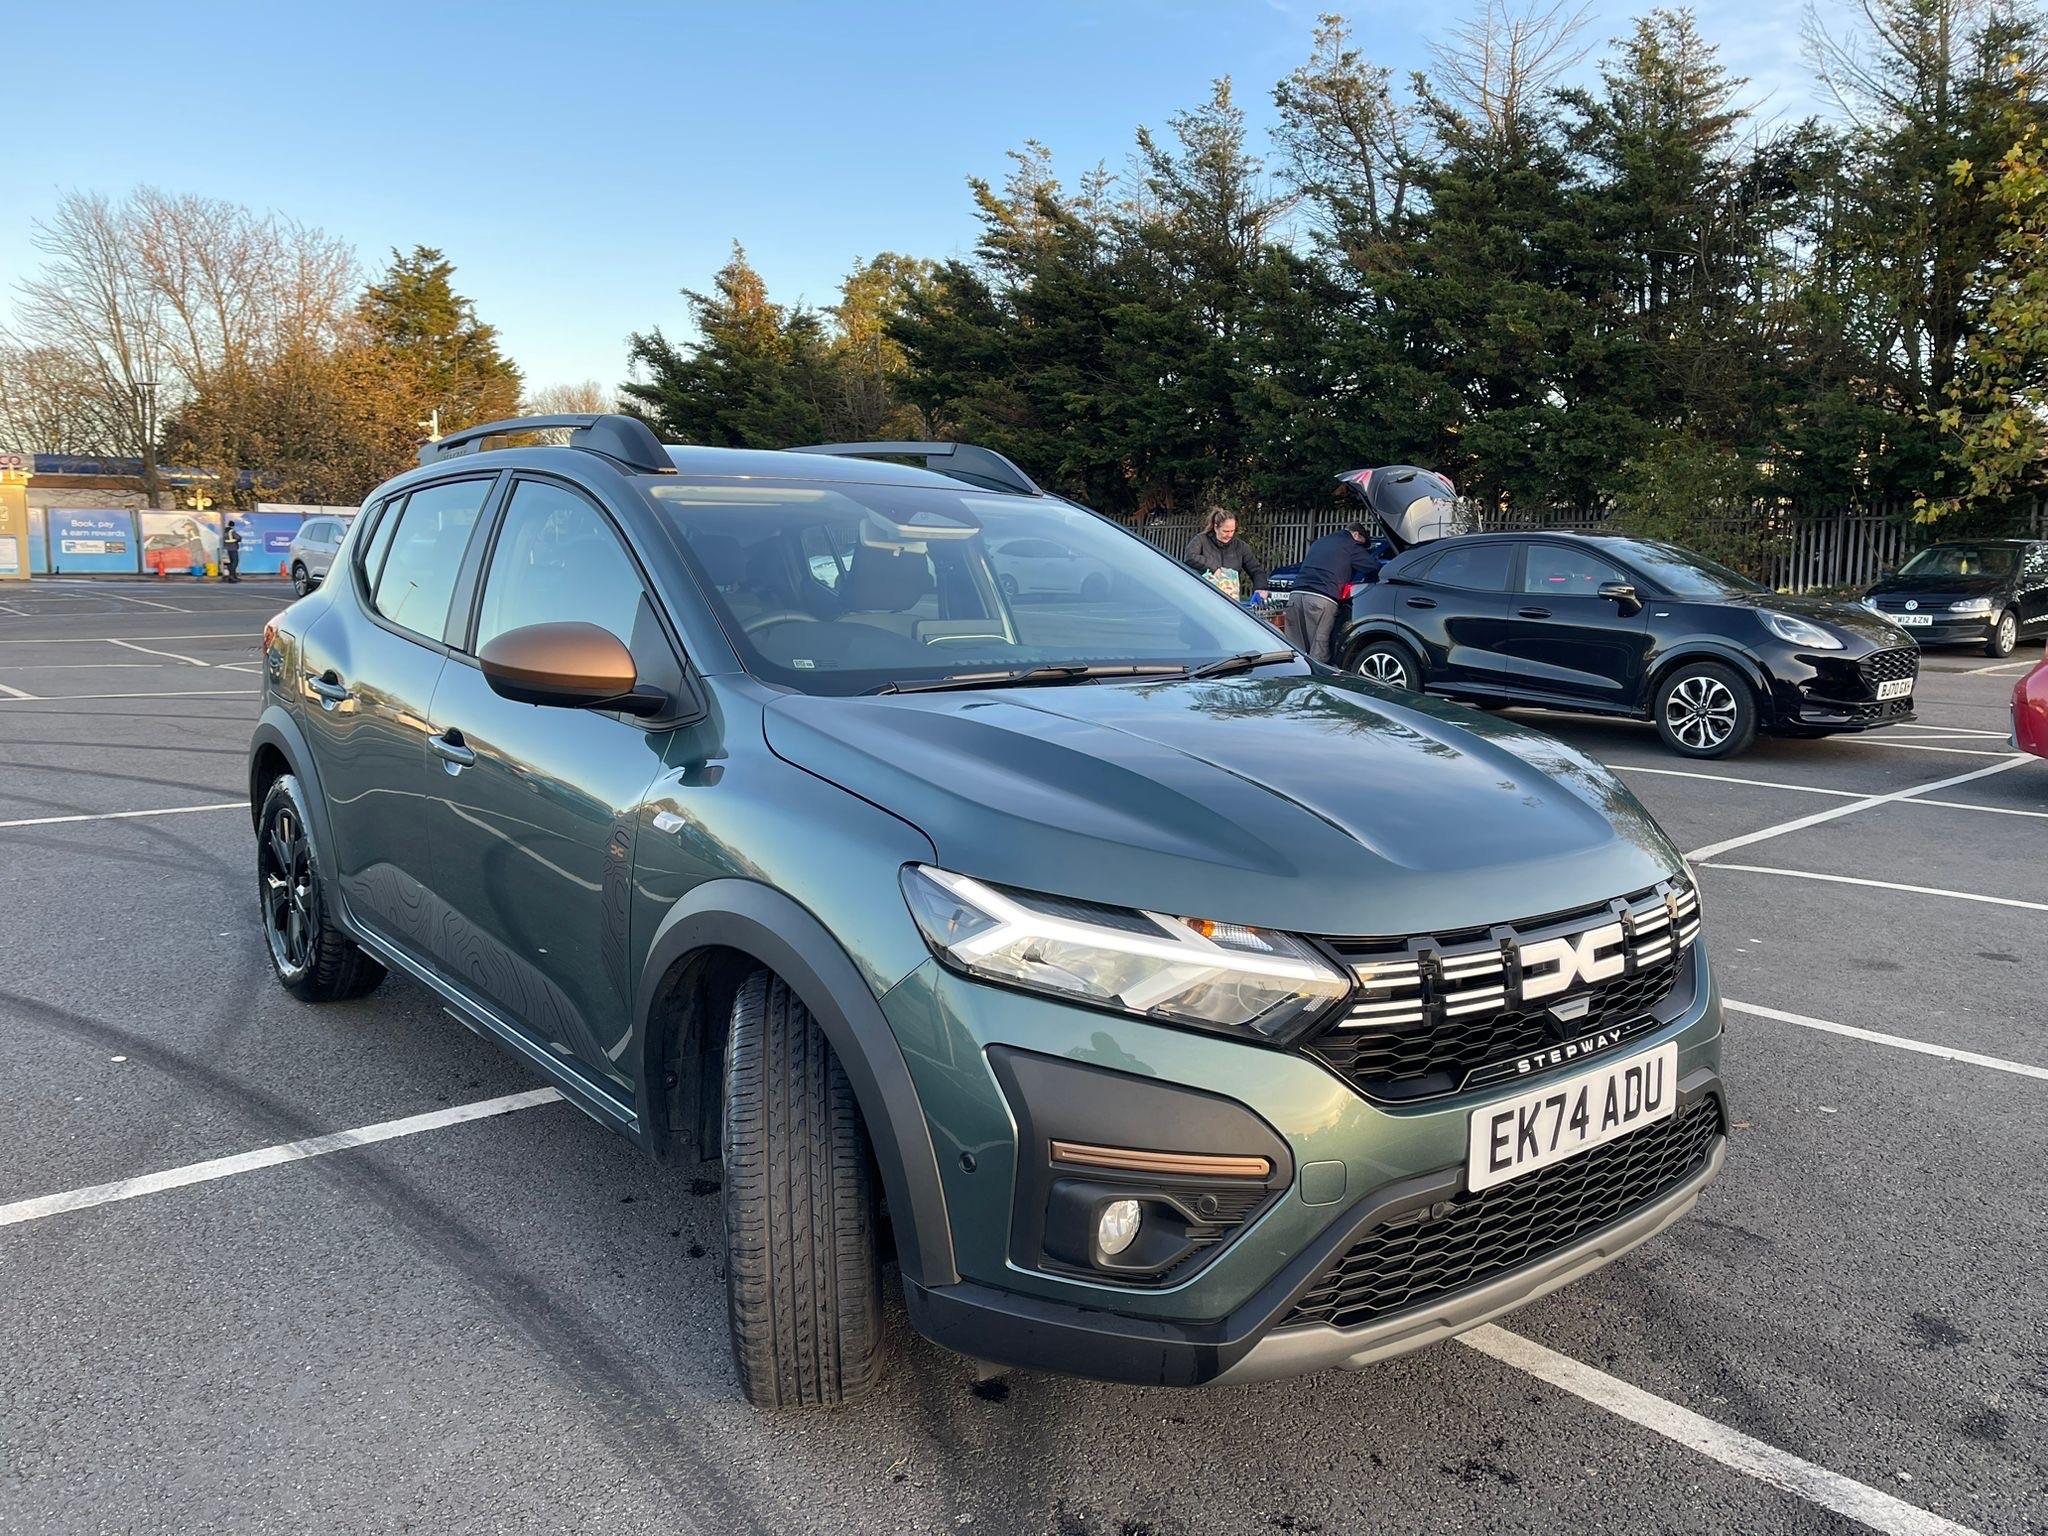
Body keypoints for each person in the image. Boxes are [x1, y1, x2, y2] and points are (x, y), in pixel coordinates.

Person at [1289, 521, 1385, 664]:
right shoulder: (1351, 544)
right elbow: (1372, 567)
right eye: (1363, 545)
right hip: (1321, 599)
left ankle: (1292, 680)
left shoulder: (1320, 541)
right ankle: (1318, 684)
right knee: (1319, 650)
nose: (1363, 549)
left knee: (1294, 648)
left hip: (1295, 595)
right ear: (1356, 534)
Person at [1183, 508, 1269, 604]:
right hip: (1202, 601)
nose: (1229, 535)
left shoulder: (1241, 547)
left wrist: (1260, 588)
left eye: (1232, 531)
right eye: (1225, 531)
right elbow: (1189, 556)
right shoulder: (1201, 540)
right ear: (1216, 528)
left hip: (1230, 603)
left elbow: (1256, 570)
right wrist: (1214, 568)